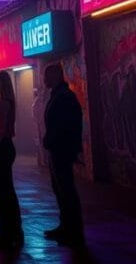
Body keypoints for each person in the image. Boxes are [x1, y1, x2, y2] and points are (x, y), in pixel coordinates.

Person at [42, 63, 84, 246]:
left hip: (61, 149)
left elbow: (66, 125)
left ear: (56, 76)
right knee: (62, 190)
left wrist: (54, 140)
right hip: (58, 149)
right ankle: (66, 226)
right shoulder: (61, 96)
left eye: (47, 76)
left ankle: (72, 229)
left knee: (65, 190)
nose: (44, 80)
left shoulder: (64, 97)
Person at [0, 71, 24, 249]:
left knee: (0, 191)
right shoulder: (7, 103)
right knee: (5, 191)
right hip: (6, 148)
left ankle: (7, 232)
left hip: (2, 149)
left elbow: (0, 130)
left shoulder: (2, 104)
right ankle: (12, 231)